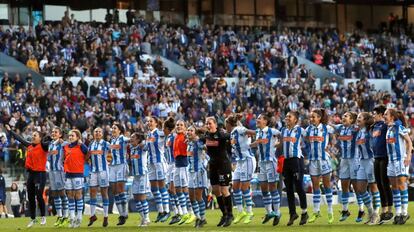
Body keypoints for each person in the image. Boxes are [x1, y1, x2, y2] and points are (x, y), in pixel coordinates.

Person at [5, 124, 50, 227]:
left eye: (35, 135)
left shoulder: (43, 146)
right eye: (32, 135)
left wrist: (52, 137)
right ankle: (33, 219)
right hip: (31, 174)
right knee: (30, 197)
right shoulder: (29, 145)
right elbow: (19, 139)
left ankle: (43, 217)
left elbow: (49, 141)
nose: (33, 136)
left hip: (40, 174)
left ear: (40, 138)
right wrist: (10, 131)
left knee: (39, 196)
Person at [199, 117, 233, 227]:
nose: (208, 125)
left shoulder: (222, 134)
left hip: (224, 165)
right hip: (213, 166)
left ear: (215, 125)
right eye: (206, 124)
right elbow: (198, 138)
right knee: (216, 191)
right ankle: (224, 215)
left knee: (224, 190)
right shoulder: (206, 136)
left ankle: (230, 215)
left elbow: (231, 136)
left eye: (210, 123)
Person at [305, 108, 335, 224]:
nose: (311, 119)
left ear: (319, 118)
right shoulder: (308, 129)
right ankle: (316, 211)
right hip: (313, 160)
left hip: (324, 160)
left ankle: (330, 210)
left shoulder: (326, 128)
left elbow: (337, 130)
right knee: (315, 186)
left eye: (313, 117)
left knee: (327, 186)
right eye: (311, 117)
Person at [225, 114, 256, 224]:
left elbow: (252, 132)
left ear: (229, 124)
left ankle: (249, 212)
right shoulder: (233, 132)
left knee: (244, 186)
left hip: (247, 160)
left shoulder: (239, 129)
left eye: (226, 124)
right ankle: (240, 211)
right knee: (235, 186)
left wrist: (259, 136)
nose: (225, 127)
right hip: (240, 161)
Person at [252, 113, 282, 225]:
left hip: (270, 163)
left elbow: (282, 135)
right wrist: (250, 145)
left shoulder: (272, 131)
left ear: (265, 121)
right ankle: (269, 212)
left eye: (259, 118)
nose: (257, 120)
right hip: (261, 163)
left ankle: (278, 212)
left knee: (273, 187)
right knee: (264, 188)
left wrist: (279, 144)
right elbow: (259, 143)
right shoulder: (258, 132)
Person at [384, 108, 413, 225]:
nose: (384, 116)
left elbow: (409, 142)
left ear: (392, 117)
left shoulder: (399, 127)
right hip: (391, 162)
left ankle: (405, 213)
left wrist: (408, 156)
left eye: (386, 114)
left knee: (401, 185)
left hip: (400, 160)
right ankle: (398, 213)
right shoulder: (388, 129)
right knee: (394, 187)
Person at [280, 111, 308, 226]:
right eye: (286, 116)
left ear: (295, 119)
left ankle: (304, 212)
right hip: (286, 161)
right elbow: (281, 143)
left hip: (297, 160)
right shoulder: (283, 130)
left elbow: (309, 136)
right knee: (289, 189)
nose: (287, 118)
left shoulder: (299, 130)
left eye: (289, 116)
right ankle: (292, 214)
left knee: (299, 187)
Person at [332, 112, 361, 222]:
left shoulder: (355, 129)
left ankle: (361, 210)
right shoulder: (340, 128)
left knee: (356, 186)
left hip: (354, 159)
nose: (343, 117)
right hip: (344, 160)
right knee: (344, 185)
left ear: (352, 120)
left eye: (346, 116)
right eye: (343, 116)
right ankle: (345, 210)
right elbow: (331, 126)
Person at [354, 112, 381, 225]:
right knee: (360, 189)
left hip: (370, 161)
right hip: (362, 162)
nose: (358, 119)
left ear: (365, 120)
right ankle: (370, 212)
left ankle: (376, 214)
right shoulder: (359, 132)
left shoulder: (370, 131)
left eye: (360, 117)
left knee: (374, 188)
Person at [371, 105, 394, 224]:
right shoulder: (374, 126)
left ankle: (390, 210)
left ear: (380, 114)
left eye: (374, 114)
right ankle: (384, 210)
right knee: (379, 184)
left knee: (385, 184)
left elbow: (396, 122)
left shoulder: (386, 125)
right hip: (376, 157)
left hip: (385, 157)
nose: (373, 115)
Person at [145, 116, 170, 222]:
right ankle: (160, 211)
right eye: (148, 121)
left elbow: (168, 134)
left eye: (151, 121)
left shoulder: (159, 133)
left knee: (161, 187)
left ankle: (167, 211)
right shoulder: (148, 135)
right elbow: (147, 148)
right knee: (154, 189)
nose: (149, 123)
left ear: (156, 123)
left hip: (159, 163)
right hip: (151, 163)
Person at [63, 129, 88, 228]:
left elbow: (87, 152)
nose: (70, 137)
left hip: (78, 174)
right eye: (69, 136)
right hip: (68, 174)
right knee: (70, 195)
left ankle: (79, 217)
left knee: (78, 195)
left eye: (72, 136)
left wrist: (81, 144)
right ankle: (72, 218)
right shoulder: (65, 147)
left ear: (78, 137)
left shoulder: (81, 147)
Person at [173, 120, 196, 225]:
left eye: (181, 125)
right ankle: (185, 212)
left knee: (185, 189)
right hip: (176, 165)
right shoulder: (176, 137)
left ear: (185, 127)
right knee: (177, 189)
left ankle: (192, 213)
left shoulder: (186, 136)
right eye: (177, 125)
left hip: (184, 164)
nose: (179, 126)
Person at [87, 127, 111, 227]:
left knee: (104, 193)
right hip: (93, 171)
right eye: (96, 131)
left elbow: (112, 154)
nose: (97, 133)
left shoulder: (106, 144)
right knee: (92, 192)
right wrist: (90, 163)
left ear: (102, 134)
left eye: (99, 132)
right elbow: (88, 156)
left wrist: (109, 162)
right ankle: (92, 216)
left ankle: (105, 217)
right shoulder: (91, 144)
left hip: (103, 171)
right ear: (93, 133)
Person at [186, 125, 208, 228]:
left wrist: (203, 145)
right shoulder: (189, 143)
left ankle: (202, 219)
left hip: (199, 171)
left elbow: (205, 148)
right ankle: (198, 217)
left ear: (195, 132)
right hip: (190, 172)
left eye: (191, 130)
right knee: (191, 197)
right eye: (188, 130)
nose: (189, 132)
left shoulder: (198, 142)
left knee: (198, 196)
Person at [47, 127, 69, 227]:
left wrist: (64, 140)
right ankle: (59, 216)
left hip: (59, 171)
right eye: (52, 132)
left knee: (62, 193)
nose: (53, 133)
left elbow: (71, 143)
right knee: (55, 194)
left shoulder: (63, 143)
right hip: (51, 171)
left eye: (56, 132)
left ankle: (66, 216)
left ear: (60, 134)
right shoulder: (50, 144)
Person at [109, 123, 130, 225]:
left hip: (122, 165)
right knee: (114, 190)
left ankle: (124, 213)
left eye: (114, 128)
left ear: (120, 131)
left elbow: (132, 140)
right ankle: (121, 213)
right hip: (113, 166)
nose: (112, 129)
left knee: (120, 189)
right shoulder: (112, 140)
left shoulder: (123, 139)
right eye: (112, 128)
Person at [163, 117, 182, 224]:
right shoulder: (168, 137)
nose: (163, 130)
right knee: (170, 190)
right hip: (169, 165)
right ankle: (176, 213)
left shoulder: (174, 136)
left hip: (175, 164)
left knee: (173, 189)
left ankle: (179, 212)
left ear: (167, 128)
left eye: (163, 128)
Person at [129, 132, 151, 227]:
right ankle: (143, 218)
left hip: (143, 175)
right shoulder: (132, 149)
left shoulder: (142, 147)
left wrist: (143, 142)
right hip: (135, 176)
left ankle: (147, 218)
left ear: (138, 139)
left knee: (142, 197)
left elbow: (147, 146)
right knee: (136, 198)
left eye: (133, 137)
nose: (131, 139)